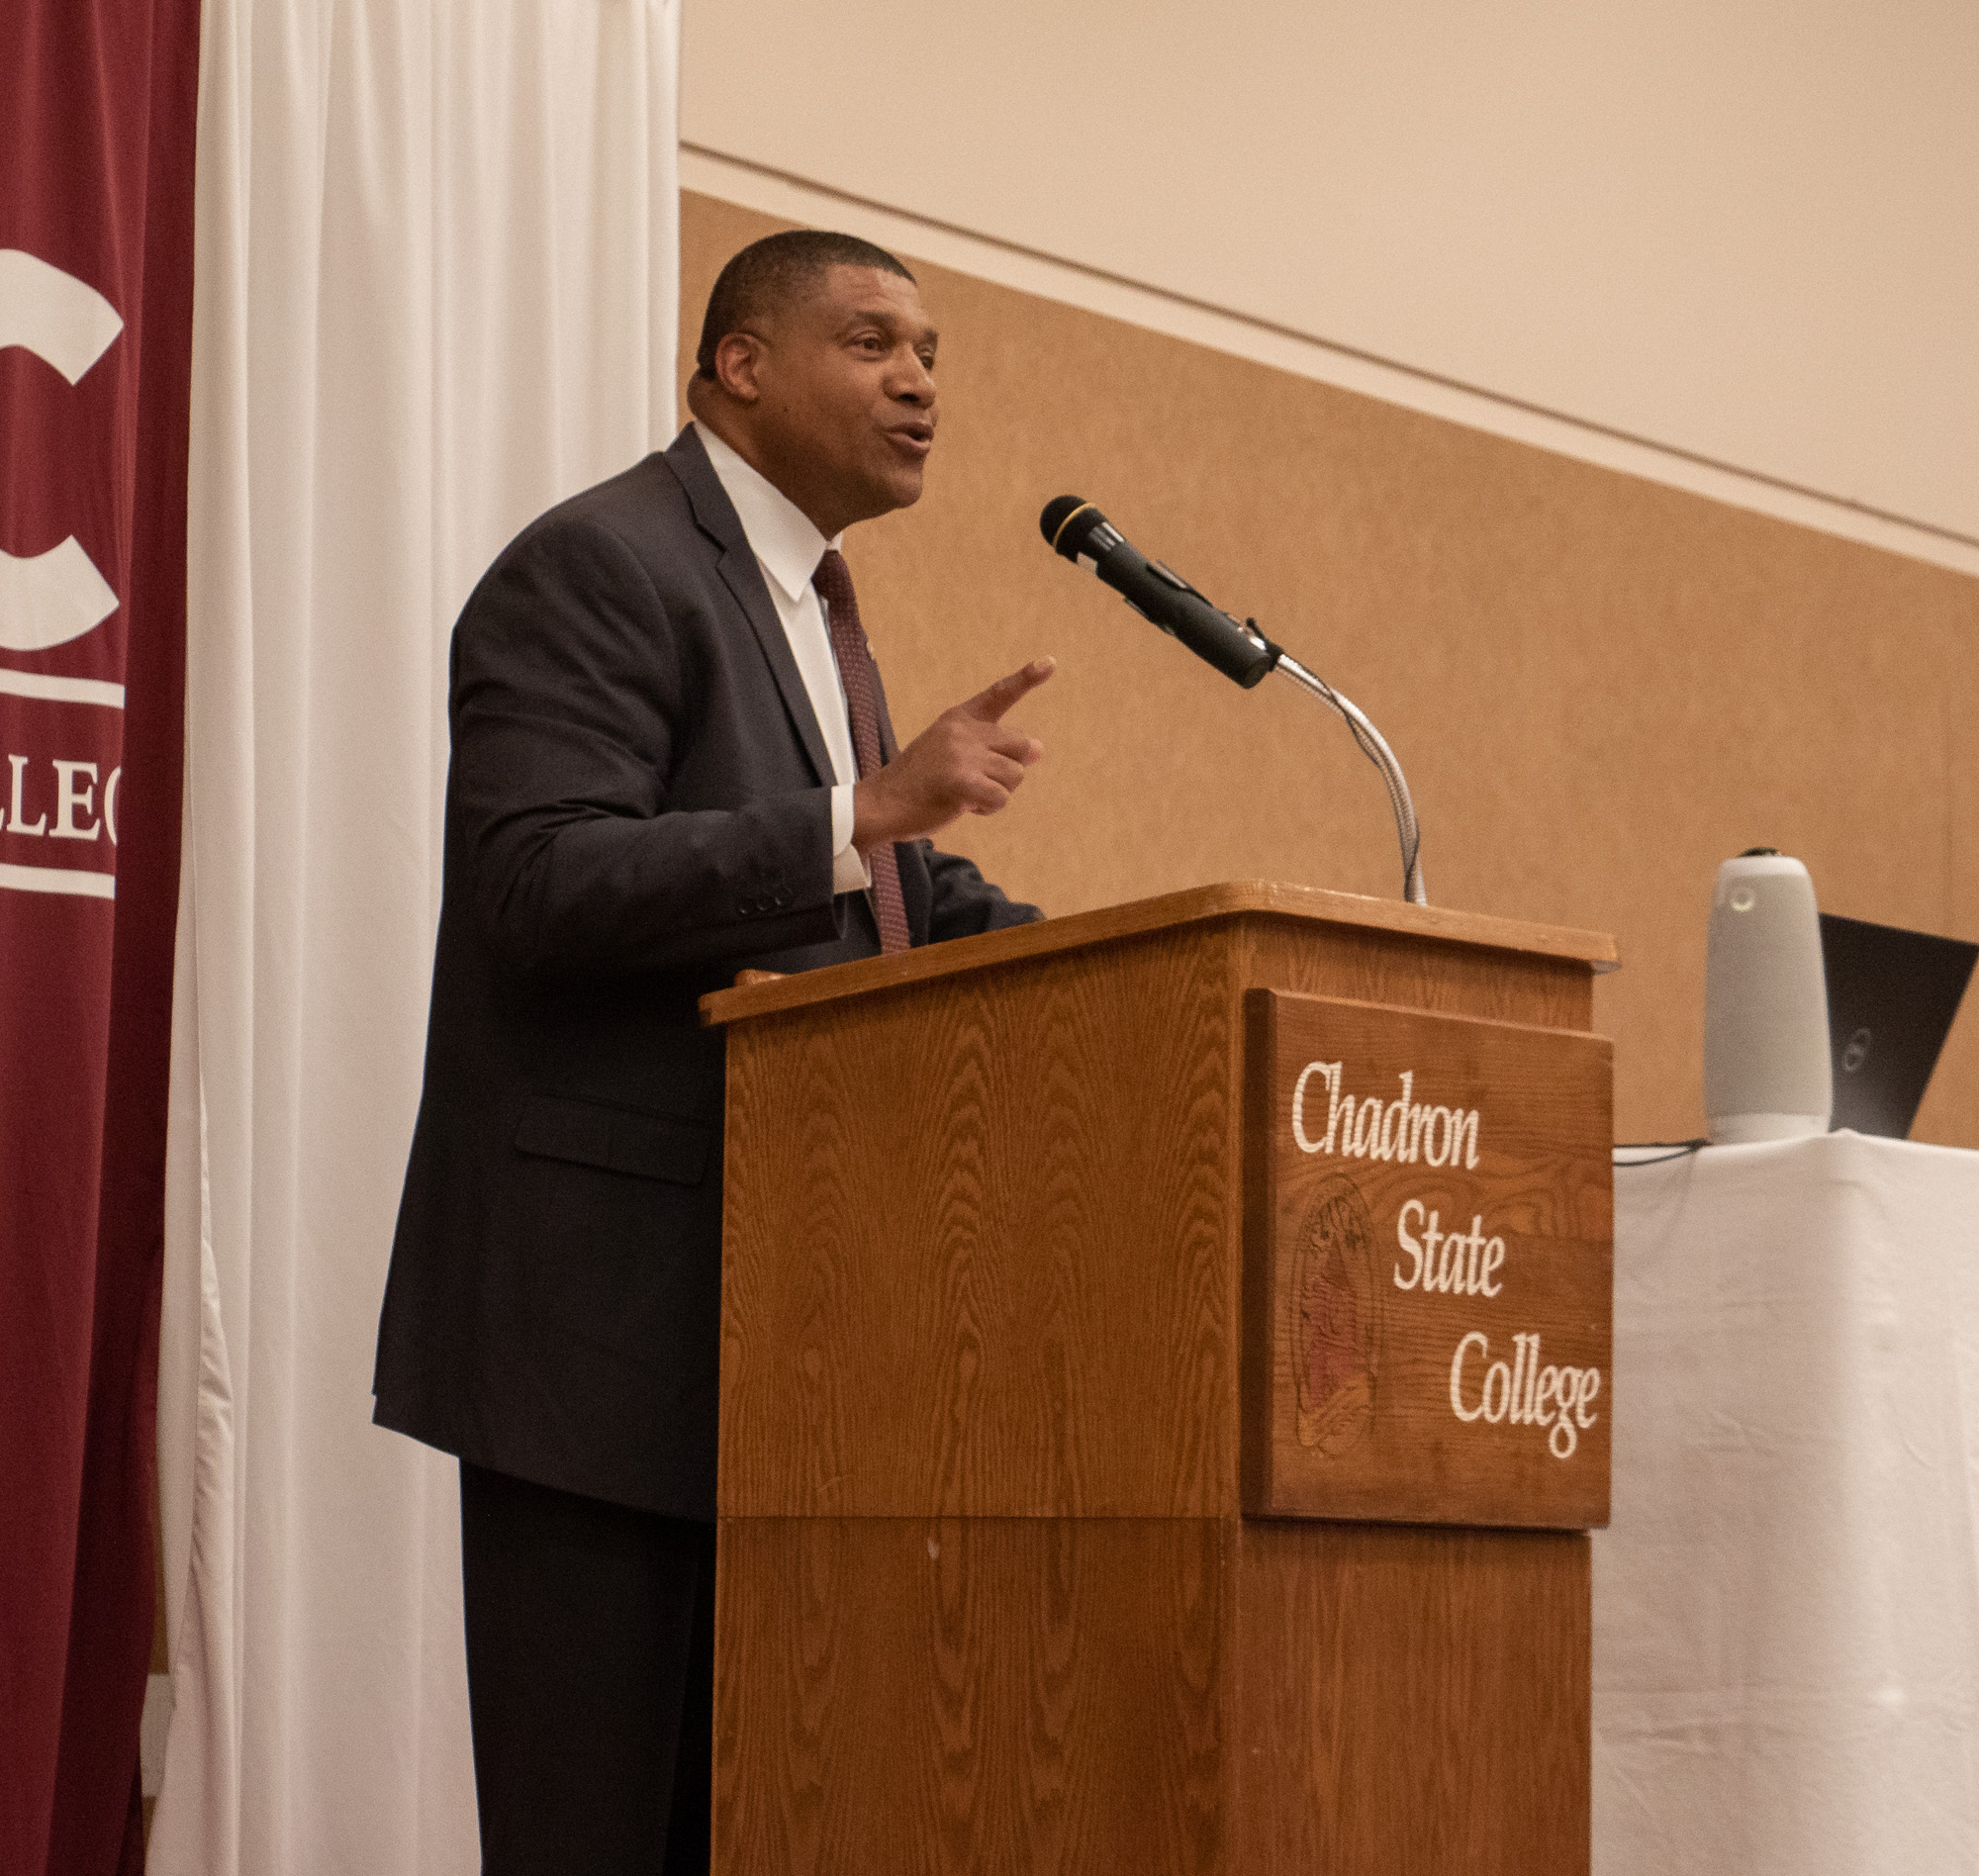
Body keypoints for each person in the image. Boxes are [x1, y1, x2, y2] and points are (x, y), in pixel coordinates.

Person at [371, 230, 1053, 1874]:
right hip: (602, 1332)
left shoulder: (808, 597)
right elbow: (539, 877)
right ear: (739, 364)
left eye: (935, 353)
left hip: (791, 1339)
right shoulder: (603, 565)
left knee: (747, 1823)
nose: (920, 383)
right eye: (876, 342)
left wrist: (1121, 960)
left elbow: (878, 884)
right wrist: (857, 814)